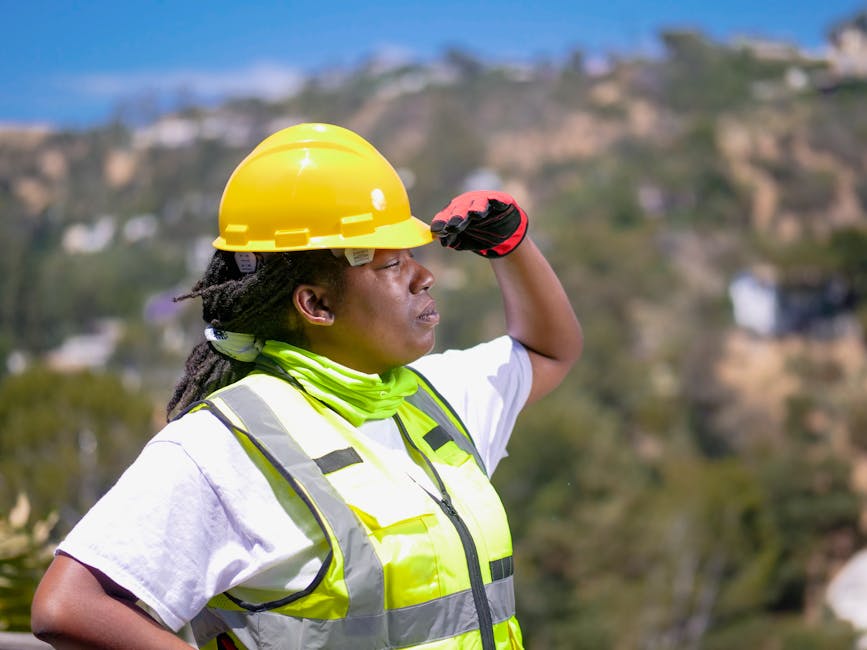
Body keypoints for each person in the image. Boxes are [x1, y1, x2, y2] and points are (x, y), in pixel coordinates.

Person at [30, 122, 582, 650]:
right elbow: (69, 605)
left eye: (413, 255)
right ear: (316, 304)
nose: (424, 275)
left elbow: (547, 350)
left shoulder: (430, 400)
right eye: (391, 263)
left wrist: (513, 248)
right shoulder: (228, 445)